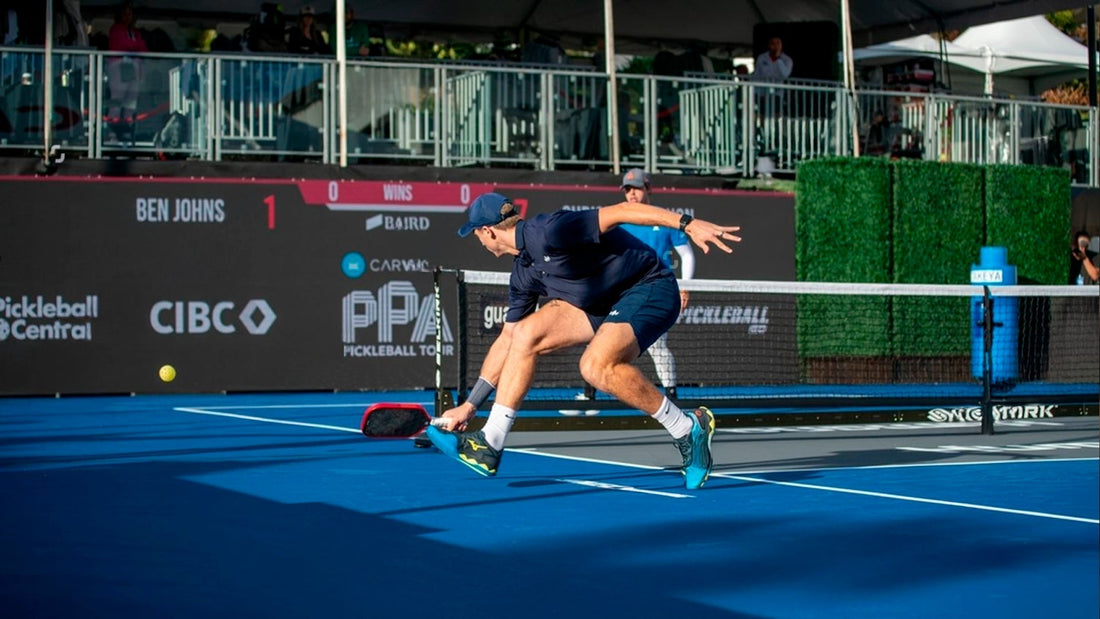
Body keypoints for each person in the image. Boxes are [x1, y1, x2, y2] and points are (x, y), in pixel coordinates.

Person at [426, 192, 741, 490]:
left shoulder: (549, 231)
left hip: (649, 286)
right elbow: (508, 338)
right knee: (523, 333)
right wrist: (470, 405)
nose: (477, 241)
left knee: (595, 367)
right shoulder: (523, 272)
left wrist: (687, 223)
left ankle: (687, 429)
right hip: (599, 303)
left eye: (476, 234)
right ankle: (490, 443)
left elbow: (619, 212)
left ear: (487, 232)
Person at [618, 168, 694, 398]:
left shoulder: (665, 219)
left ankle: (671, 395)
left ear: (648, 189)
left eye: (637, 188)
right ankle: (589, 395)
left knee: (657, 347)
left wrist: (686, 287)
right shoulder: (618, 219)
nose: (632, 193)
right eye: (628, 189)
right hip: (624, 293)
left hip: (657, 292)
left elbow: (687, 255)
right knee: (602, 342)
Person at [105, 2, 147, 142]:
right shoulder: (115, 29)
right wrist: (134, 47)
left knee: (131, 102)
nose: (128, 17)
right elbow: (122, 45)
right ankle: (112, 133)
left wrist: (133, 48)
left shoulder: (135, 32)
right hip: (118, 66)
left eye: (130, 14)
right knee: (117, 100)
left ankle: (126, 131)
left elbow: (142, 48)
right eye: (125, 14)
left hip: (134, 68)